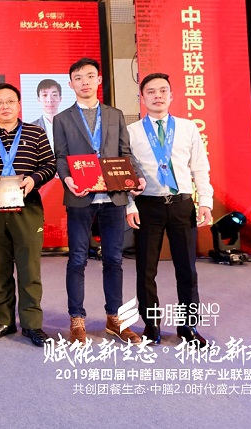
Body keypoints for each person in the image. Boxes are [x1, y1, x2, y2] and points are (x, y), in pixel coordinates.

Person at [52, 57, 145, 345]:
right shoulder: (62, 119)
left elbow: (125, 153)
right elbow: (60, 157)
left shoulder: (115, 115)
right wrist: (67, 178)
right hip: (80, 196)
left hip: (113, 196)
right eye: (78, 78)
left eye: (90, 76)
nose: (85, 82)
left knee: (114, 259)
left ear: (99, 80)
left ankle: (114, 319)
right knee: (78, 259)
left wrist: (137, 177)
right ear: (71, 84)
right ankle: (76, 319)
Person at [126, 73, 213, 348]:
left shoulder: (187, 128)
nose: (158, 96)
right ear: (142, 98)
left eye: (163, 90)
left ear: (172, 95)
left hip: (182, 205)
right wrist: (130, 205)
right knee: (146, 270)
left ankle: (188, 327)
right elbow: (126, 174)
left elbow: (200, 167)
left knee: (187, 269)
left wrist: (206, 201)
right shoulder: (131, 131)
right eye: (151, 91)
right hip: (147, 205)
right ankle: (151, 326)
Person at [0, 82, 56, 347]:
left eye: (10, 101)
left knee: (29, 267)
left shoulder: (36, 133)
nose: (5, 106)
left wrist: (33, 179)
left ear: (19, 105)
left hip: (27, 210)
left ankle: (32, 324)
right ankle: (4, 320)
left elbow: (50, 164)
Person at [33, 78, 62, 151]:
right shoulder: (31, 128)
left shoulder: (71, 125)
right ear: (38, 99)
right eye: (45, 95)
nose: (50, 100)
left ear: (60, 98)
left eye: (54, 95)